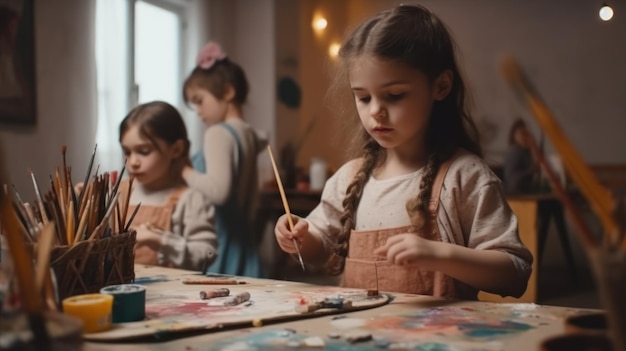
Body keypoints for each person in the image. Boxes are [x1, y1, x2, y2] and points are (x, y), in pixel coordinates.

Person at [274, 4, 532, 299]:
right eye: (363, 97)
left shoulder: (465, 177)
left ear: (441, 86)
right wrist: (299, 237)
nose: (376, 112)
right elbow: (321, 249)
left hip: (439, 341)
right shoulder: (349, 178)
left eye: (394, 96)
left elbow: (514, 273)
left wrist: (439, 255)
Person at [182, 42, 267, 278]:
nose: (197, 111)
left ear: (228, 92)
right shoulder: (249, 133)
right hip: (247, 246)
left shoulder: (218, 134)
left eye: (199, 100)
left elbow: (219, 191)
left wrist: (185, 171)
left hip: (224, 245)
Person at [119, 101, 218, 272]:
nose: (132, 162)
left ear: (176, 150)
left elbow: (207, 255)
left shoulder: (191, 199)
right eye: (127, 152)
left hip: (171, 295)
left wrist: (159, 240)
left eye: (144, 151)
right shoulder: (117, 192)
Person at [503, 118, 540, 194]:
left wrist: (533, 147)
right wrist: (530, 171)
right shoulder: (514, 151)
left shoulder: (526, 151)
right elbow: (513, 181)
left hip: (527, 190)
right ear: (514, 135)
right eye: (522, 133)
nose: (525, 137)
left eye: (527, 134)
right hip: (516, 193)